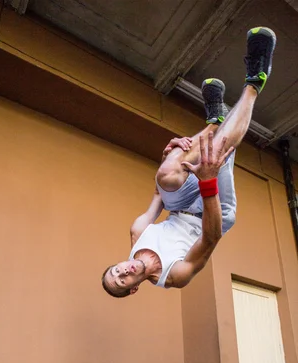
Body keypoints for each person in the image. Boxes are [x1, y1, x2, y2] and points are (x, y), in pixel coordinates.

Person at [102, 27, 277, 298]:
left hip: (180, 205)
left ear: (119, 264)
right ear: (134, 287)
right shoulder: (174, 276)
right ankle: (255, 80)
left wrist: (169, 158)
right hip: (213, 213)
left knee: (165, 177)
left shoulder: (138, 232)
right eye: (122, 281)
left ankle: (212, 123)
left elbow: (158, 193)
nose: (123, 273)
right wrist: (207, 182)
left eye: (116, 271)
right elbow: (211, 238)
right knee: (217, 152)